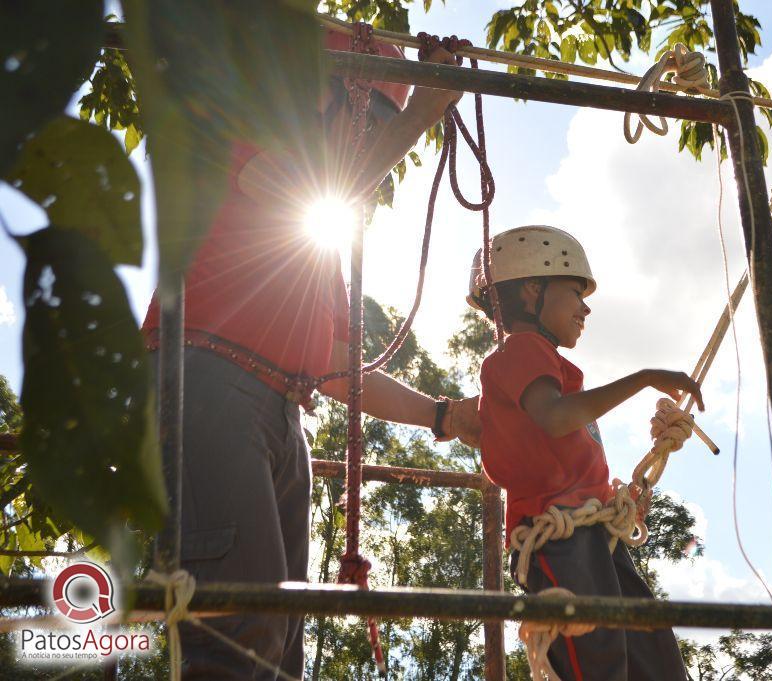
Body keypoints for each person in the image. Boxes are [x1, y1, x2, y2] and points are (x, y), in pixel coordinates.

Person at [141, 28, 479, 679]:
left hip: (277, 413)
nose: (364, 135)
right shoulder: (234, 137)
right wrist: (418, 115)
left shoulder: (317, 248)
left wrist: (443, 415)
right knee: (238, 633)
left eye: (379, 118)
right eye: (362, 112)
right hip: (206, 388)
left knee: (276, 646)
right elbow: (309, 193)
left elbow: (336, 366)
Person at [470, 225, 703, 681]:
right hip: (560, 539)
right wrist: (642, 378)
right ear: (533, 290)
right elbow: (556, 418)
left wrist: (617, 500)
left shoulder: (552, 367)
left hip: (594, 538)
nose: (586, 306)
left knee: (655, 660)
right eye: (576, 292)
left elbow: (567, 450)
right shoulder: (519, 351)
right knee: (597, 662)